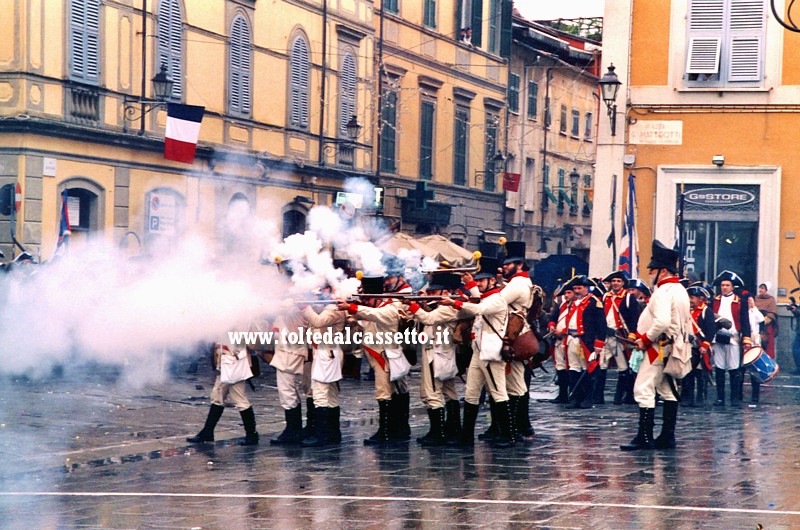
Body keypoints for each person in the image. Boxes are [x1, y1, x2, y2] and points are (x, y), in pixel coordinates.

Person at [620, 240, 690, 451]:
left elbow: (661, 322)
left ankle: (644, 437)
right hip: (672, 346)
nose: (649, 271)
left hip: (657, 348)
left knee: (643, 389)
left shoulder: (662, 291)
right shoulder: (680, 290)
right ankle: (667, 436)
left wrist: (645, 339)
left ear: (663, 270)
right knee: (667, 390)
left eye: (653, 268)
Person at [440, 255, 513, 448]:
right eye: (478, 280)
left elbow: (479, 309)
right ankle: (466, 437)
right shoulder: (488, 297)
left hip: (491, 352)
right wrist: (467, 291)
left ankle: (507, 435)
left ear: (491, 281)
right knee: (471, 394)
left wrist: (456, 303)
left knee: (499, 393)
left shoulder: (497, 299)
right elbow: (477, 302)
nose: (479, 284)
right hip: (479, 352)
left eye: (482, 280)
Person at [339, 270, 413, 445]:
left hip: (385, 355)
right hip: (381, 354)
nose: (365, 300)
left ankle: (386, 431)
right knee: (397, 390)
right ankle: (399, 428)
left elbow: (374, 315)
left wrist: (352, 308)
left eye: (366, 297)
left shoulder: (389, 308)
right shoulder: (380, 306)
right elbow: (366, 317)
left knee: (384, 392)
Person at [405, 272, 463, 446]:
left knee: (430, 393)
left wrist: (415, 306)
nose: (432, 294)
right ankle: (452, 428)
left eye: (435, 292)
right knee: (449, 391)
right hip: (441, 352)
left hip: (435, 353)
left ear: (446, 293)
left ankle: (438, 433)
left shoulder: (447, 308)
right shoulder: (442, 307)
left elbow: (430, 319)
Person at [187, 333, 259, 446]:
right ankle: (208, 431)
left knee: (240, 400)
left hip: (233, 363)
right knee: (217, 397)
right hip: (225, 362)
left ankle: (252, 435)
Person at [561, 275, 605, 410]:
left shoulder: (594, 302)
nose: (577, 291)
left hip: (586, 341)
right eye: (575, 288)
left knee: (588, 370)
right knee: (574, 369)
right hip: (572, 339)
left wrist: (598, 345)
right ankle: (576, 398)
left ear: (586, 288)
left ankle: (587, 398)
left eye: (579, 288)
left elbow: (601, 325)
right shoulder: (572, 302)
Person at [599, 270, 641, 405]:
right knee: (601, 364)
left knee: (623, 367)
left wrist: (631, 335)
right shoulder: (606, 296)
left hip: (620, 336)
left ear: (623, 283)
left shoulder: (628, 298)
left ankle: (620, 397)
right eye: (613, 281)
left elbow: (634, 318)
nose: (615, 284)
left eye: (618, 281)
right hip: (606, 335)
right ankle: (598, 397)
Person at [711, 270, 752, 408]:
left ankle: (735, 398)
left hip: (733, 338)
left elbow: (745, 321)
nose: (724, 287)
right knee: (719, 368)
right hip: (718, 338)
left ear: (732, 287)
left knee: (734, 368)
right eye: (722, 285)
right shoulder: (715, 301)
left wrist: (746, 338)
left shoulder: (740, 301)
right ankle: (720, 398)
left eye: (727, 285)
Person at [684, 282, 716, 407]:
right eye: (689, 297)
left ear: (699, 298)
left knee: (700, 373)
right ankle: (689, 398)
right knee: (688, 372)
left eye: (692, 298)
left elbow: (711, 330)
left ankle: (701, 397)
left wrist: (706, 345)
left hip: (701, 346)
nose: (690, 300)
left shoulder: (706, 311)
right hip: (688, 346)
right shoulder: (687, 311)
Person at [547, 282, 574, 403]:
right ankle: (562, 395)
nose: (566, 295)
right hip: (558, 341)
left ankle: (572, 395)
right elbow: (553, 318)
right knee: (560, 367)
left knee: (572, 367)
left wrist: (563, 331)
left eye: (569, 293)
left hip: (569, 340)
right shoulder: (561, 305)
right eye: (565, 293)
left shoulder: (577, 306)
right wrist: (552, 326)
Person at [754, 282, 779, 360]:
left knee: (768, 344)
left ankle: (768, 361)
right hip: (757, 323)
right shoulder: (756, 298)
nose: (760, 290)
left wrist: (768, 318)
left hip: (767, 325)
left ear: (766, 290)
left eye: (762, 288)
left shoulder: (771, 299)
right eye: (760, 288)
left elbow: (773, 311)